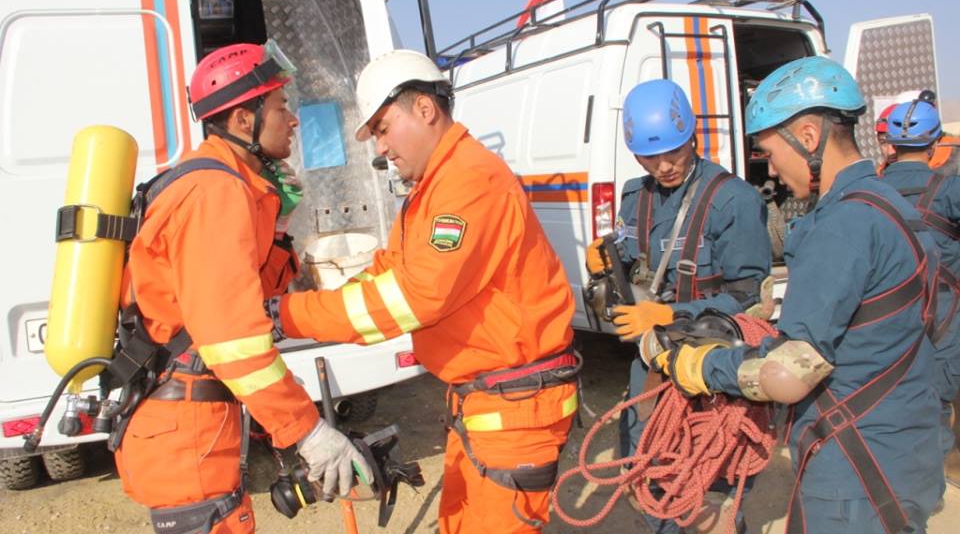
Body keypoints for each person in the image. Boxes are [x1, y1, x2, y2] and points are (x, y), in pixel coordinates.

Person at [266, 49, 580, 533]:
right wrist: (311, 308)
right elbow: (388, 273)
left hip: (515, 409)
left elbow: (413, 297)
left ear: (425, 109)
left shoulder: (470, 180)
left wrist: (288, 316)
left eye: (383, 129)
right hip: (487, 403)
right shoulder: (435, 188)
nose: (381, 148)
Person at [646, 56, 944, 533]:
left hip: (854, 468)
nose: (771, 169)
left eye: (769, 152)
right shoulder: (889, 206)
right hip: (907, 451)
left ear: (807, 137)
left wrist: (700, 366)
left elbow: (786, 374)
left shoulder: (842, 225)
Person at [115, 42, 371, 533]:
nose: (293, 121)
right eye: (280, 107)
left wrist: (278, 225)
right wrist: (307, 431)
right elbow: (233, 337)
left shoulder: (225, 183)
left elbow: (251, 295)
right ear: (242, 119)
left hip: (192, 421)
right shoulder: (214, 192)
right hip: (186, 432)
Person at [585, 78, 771, 532]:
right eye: (650, 158)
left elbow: (749, 299)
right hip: (652, 365)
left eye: (674, 152)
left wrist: (672, 315)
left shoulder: (733, 201)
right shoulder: (636, 196)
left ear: (693, 137)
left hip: (712, 368)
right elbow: (633, 257)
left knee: (708, 486)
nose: (664, 166)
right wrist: (607, 260)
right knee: (649, 471)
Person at [878, 93, 960, 488]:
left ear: (891, 144)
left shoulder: (869, 190)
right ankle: (928, 487)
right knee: (935, 400)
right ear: (935, 142)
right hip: (943, 316)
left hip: (885, 315)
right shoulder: (951, 190)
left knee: (889, 397)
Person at [874, 102, 897, 172]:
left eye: (896, 141)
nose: (890, 152)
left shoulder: (925, 174)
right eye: (883, 142)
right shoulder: (878, 175)